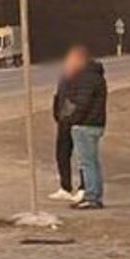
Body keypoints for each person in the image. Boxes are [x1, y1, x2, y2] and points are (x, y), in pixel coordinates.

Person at [58, 46, 108, 210]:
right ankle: (93, 194)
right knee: (92, 162)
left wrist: (71, 120)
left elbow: (81, 104)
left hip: (85, 125)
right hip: (94, 124)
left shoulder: (86, 78)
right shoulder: (96, 76)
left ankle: (92, 196)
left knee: (87, 163)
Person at [50, 56, 82, 202]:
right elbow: (58, 97)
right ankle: (65, 187)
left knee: (82, 156)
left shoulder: (83, 78)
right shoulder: (64, 78)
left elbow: (81, 100)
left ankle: (84, 187)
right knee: (62, 154)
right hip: (63, 122)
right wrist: (57, 114)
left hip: (77, 121)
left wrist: (72, 117)